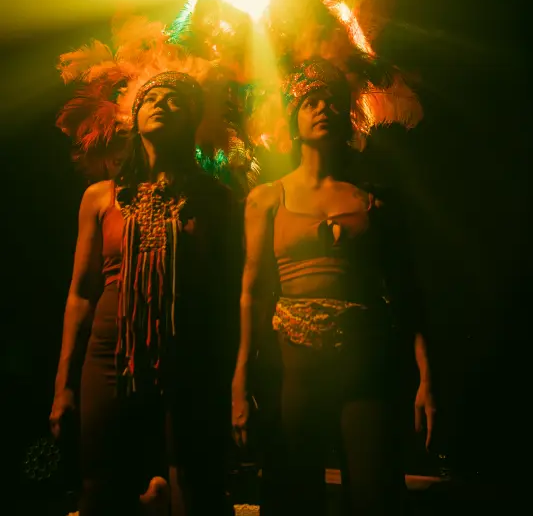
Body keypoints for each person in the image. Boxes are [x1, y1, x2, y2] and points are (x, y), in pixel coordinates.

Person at [232, 57, 435, 516]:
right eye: (310, 102)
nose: (322, 108)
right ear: (293, 117)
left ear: (347, 115)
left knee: (374, 493)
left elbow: (407, 291)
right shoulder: (266, 198)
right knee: (293, 495)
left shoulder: (374, 199)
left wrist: (427, 378)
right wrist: (241, 378)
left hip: (365, 361)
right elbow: (252, 292)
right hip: (293, 363)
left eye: (331, 102)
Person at [50, 71, 240, 516]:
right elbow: (80, 294)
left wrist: (234, 380)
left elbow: (227, 294)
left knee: (193, 484)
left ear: (193, 119)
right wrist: (64, 384)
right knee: (101, 484)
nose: (161, 104)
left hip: (189, 353)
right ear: (134, 116)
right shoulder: (100, 197)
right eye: (151, 98)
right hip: (109, 351)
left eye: (175, 100)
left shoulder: (216, 198)